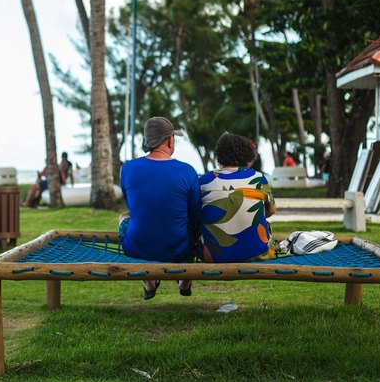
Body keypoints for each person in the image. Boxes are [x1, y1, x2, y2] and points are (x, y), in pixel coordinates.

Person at [119, 116, 201, 299]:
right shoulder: (187, 171)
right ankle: (184, 280)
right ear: (170, 140)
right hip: (178, 249)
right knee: (192, 227)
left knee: (124, 217)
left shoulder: (127, 169)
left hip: (136, 248)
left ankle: (149, 283)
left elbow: (132, 207)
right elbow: (196, 217)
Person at [198, 133, 278, 264]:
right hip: (259, 253)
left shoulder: (204, 181)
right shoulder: (258, 178)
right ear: (246, 154)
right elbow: (271, 211)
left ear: (219, 155)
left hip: (214, 256)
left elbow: (197, 214)